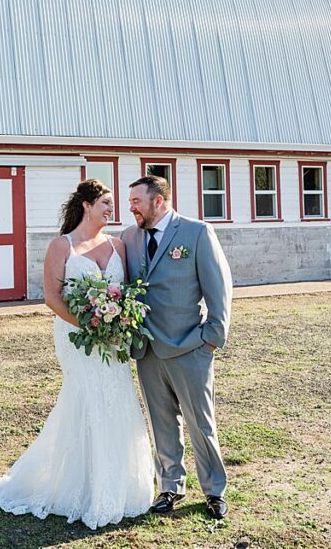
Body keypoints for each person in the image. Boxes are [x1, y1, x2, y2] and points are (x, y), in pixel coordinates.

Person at [0, 179, 154, 529]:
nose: (110, 208)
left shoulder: (119, 246)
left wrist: (115, 323)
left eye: (111, 204)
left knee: (117, 399)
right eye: (105, 202)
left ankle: (120, 486)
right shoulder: (62, 246)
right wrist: (90, 325)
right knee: (86, 399)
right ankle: (79, 485)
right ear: (86, 205)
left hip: (113, 341)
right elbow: (52, 297)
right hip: (78, 339)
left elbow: (129, 293)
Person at [122, 175, 233, 519]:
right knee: (161, 423)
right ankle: (170, 485)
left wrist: (212, 338)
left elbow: (219, 287)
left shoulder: (197, 233)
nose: (131, 207)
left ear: (158, 201)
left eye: (136, 201)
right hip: (148, 350)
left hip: (189, 348)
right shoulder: (129, 237)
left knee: (202, 423)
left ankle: (214, 490)